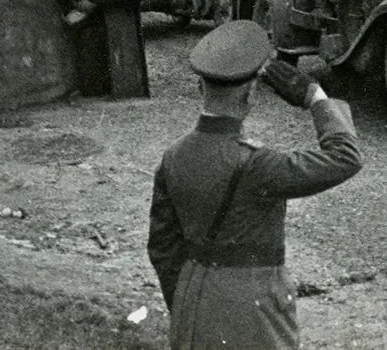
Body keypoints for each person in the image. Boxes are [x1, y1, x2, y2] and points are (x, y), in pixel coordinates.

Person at [147, 21, 362, 349]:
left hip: (191, 300)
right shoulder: (258, 165)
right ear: (250, 95)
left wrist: (187, 300)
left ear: (199, 89)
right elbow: (346, 156)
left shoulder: (173, 156)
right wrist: (316, 97)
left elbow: (162, 246)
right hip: (253, 308)